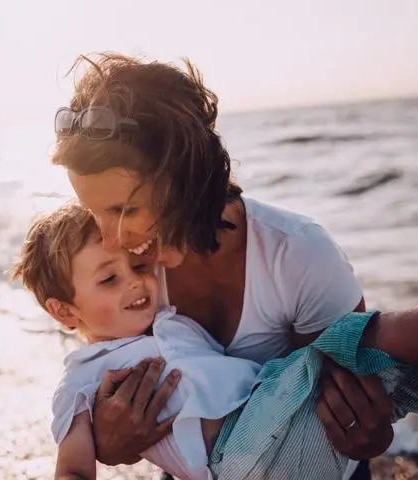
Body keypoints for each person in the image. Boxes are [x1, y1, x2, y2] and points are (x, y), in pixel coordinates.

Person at [49, 52, 393, 479]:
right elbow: (108, 370)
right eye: (94, 213)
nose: (112, 239)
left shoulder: (298, 256)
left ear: (187, 177)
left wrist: (372, 433)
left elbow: (354, 404)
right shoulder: (126, 271)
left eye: (125, 209)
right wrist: (109, 441)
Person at [10, 202, 418, 480]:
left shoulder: (171, 321)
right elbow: (72, 466)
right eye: (109, 278)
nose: (136, 282)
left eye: (138, 266)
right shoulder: (82, 379)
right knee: (364, 340)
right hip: (239, 453)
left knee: (409, 373)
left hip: (295, 433)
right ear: (64, 311)